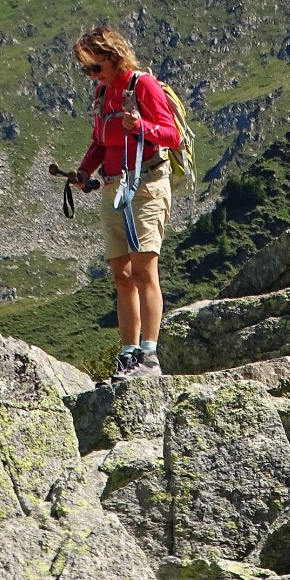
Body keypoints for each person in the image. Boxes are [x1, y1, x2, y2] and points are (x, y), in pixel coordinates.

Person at [72, 26, 181, 383]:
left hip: (146, 185)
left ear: (113, 57)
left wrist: (142, 127)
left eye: (94, 67)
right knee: (121, 275)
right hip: (114, 187)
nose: (91, 75)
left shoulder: (143, 86)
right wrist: (84, 171)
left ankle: (149, 356)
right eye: (86, 69)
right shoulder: (103, 93)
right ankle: (128, 353)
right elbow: (101, 142)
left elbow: (172, 135)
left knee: (143, 271)